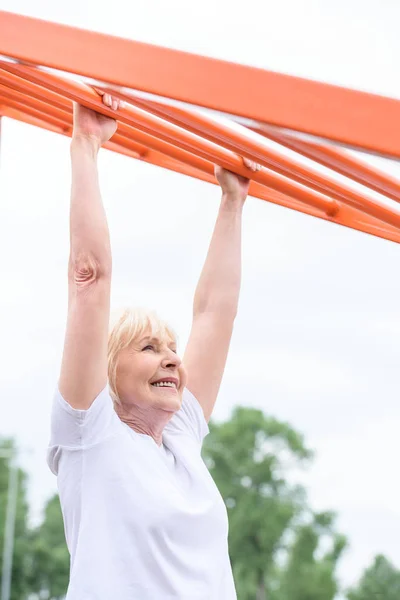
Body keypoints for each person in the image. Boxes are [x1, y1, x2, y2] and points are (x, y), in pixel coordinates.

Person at [47, 92, 260, 600]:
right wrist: (86, 145)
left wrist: (232, 201)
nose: (170, 357)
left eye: (169, 346)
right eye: (146, 347)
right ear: (106, 373)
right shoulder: (89, 434)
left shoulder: (181, 438)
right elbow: (89, 279)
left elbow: (215, 314)